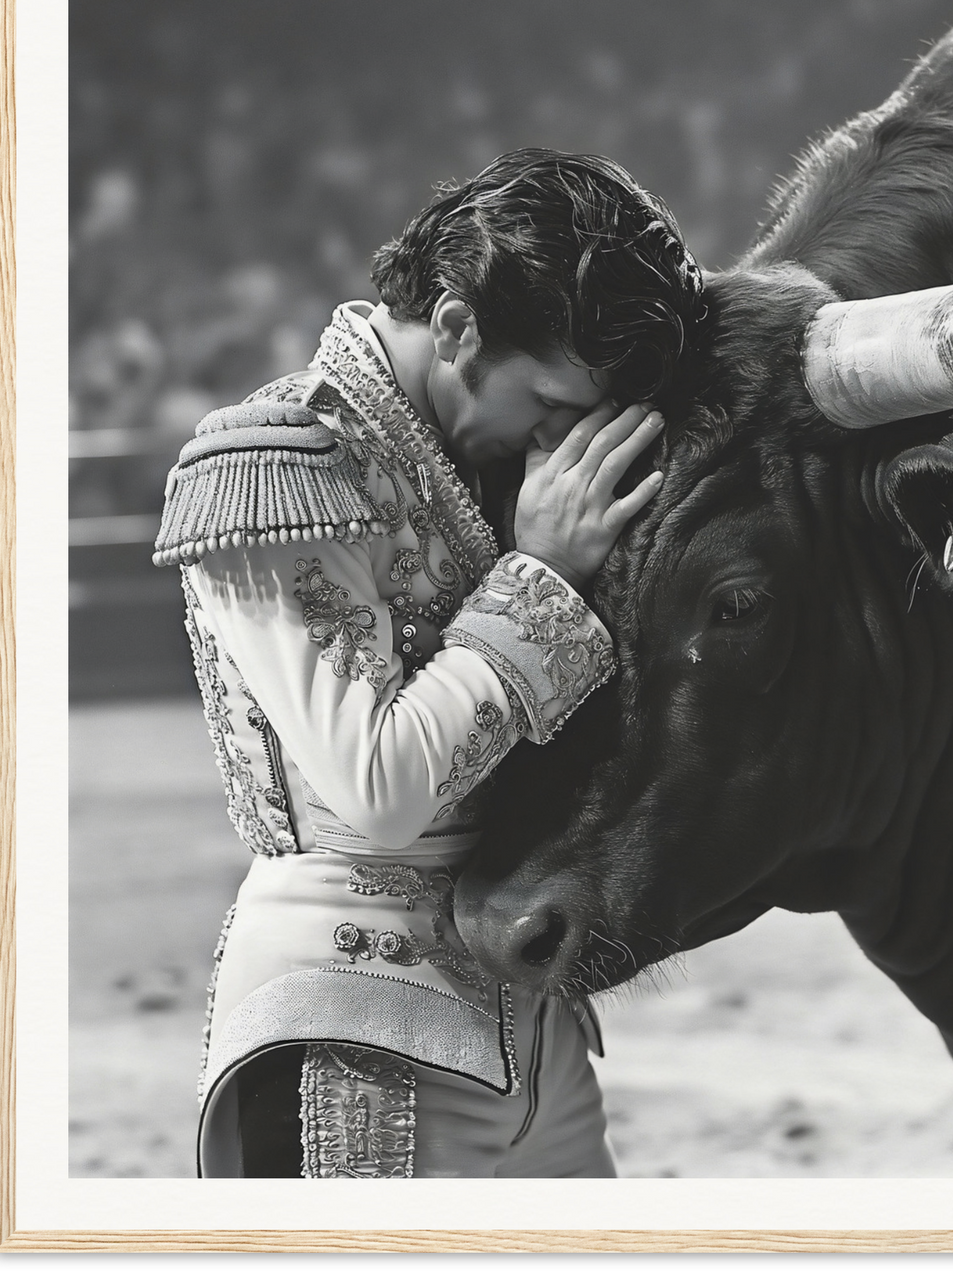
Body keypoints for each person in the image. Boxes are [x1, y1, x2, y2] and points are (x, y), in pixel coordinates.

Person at [155, 149, 706, 1178]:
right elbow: (380, 790)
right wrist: (540, 572)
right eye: (547, 399)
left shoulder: (476, 461)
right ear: (455, 327)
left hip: (534, 1028)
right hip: (353, 1024)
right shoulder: (286, 458)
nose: (559, 437)